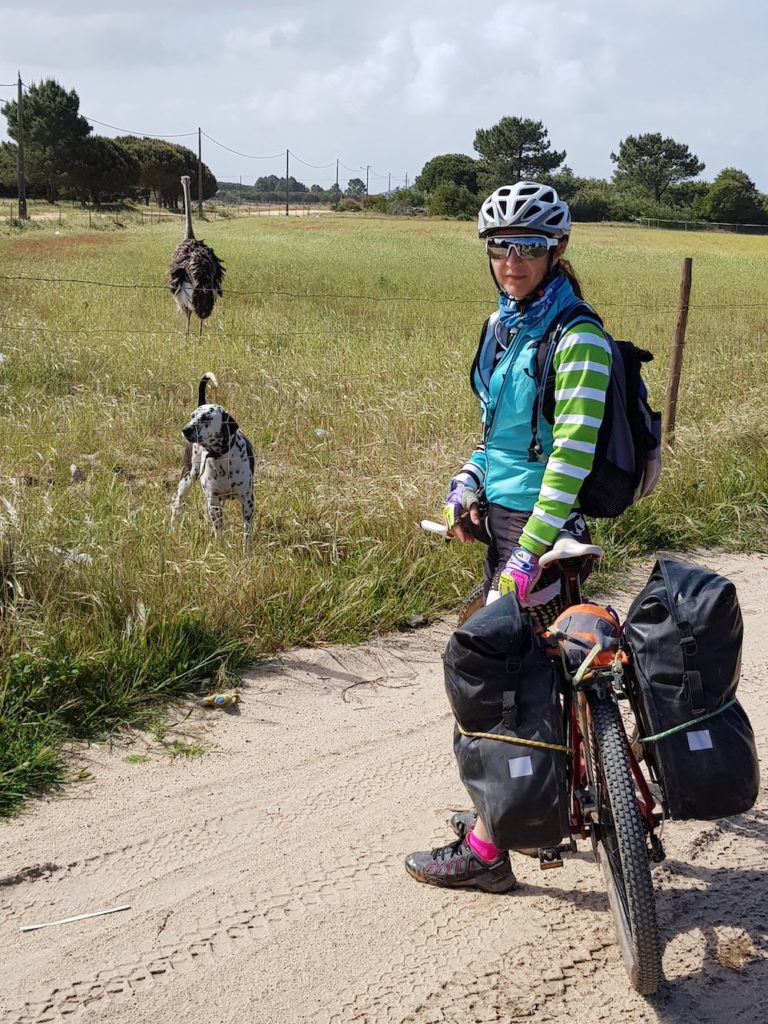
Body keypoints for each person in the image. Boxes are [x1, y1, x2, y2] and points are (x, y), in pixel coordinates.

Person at [405, 181, 612, 893]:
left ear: (557, 248)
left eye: (527, 246)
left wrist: (529, 554)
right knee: (534, 674)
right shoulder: (503, 329)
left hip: (547, 530)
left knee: (500, 683)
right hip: (501, 523)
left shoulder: (577, 337)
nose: (512, 259)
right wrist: (468, 484)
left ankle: (491, 851)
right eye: (500, 247)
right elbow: (497, 438)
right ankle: (545, 806)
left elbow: (572, 455)